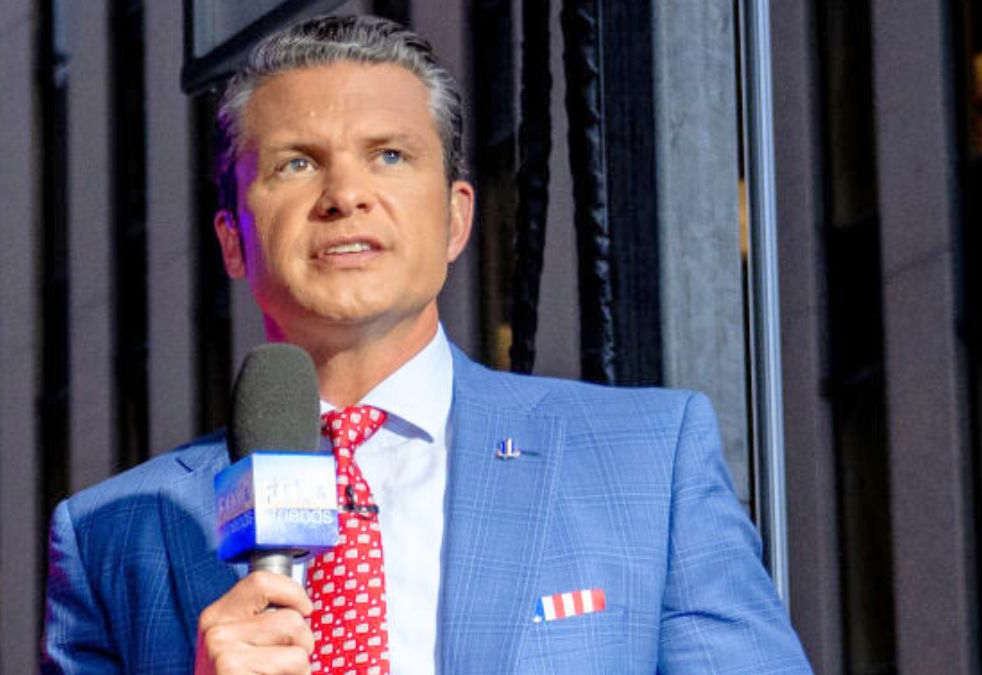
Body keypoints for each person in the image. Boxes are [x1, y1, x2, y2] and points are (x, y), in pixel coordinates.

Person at [41, 15, 810, 675]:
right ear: (233, 241)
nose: (346, 195)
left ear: (455, 219)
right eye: (297, 164)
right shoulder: (112, 532)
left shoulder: (648, 460)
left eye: (390, 155)